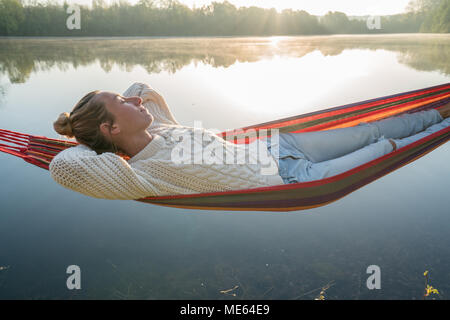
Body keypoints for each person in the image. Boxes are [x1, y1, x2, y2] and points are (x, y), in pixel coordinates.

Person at [50, 82, 450, 200]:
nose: (135, 100)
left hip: (277, 146)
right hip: (299, 179)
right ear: (111, 130)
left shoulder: (161, 128)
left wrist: (94, 120)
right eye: (122, 104)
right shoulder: (142, 175)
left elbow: (144, 88)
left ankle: (440, 112)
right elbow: (63, 166)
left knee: (373, 131)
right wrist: (85, 137)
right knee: (385, 150)